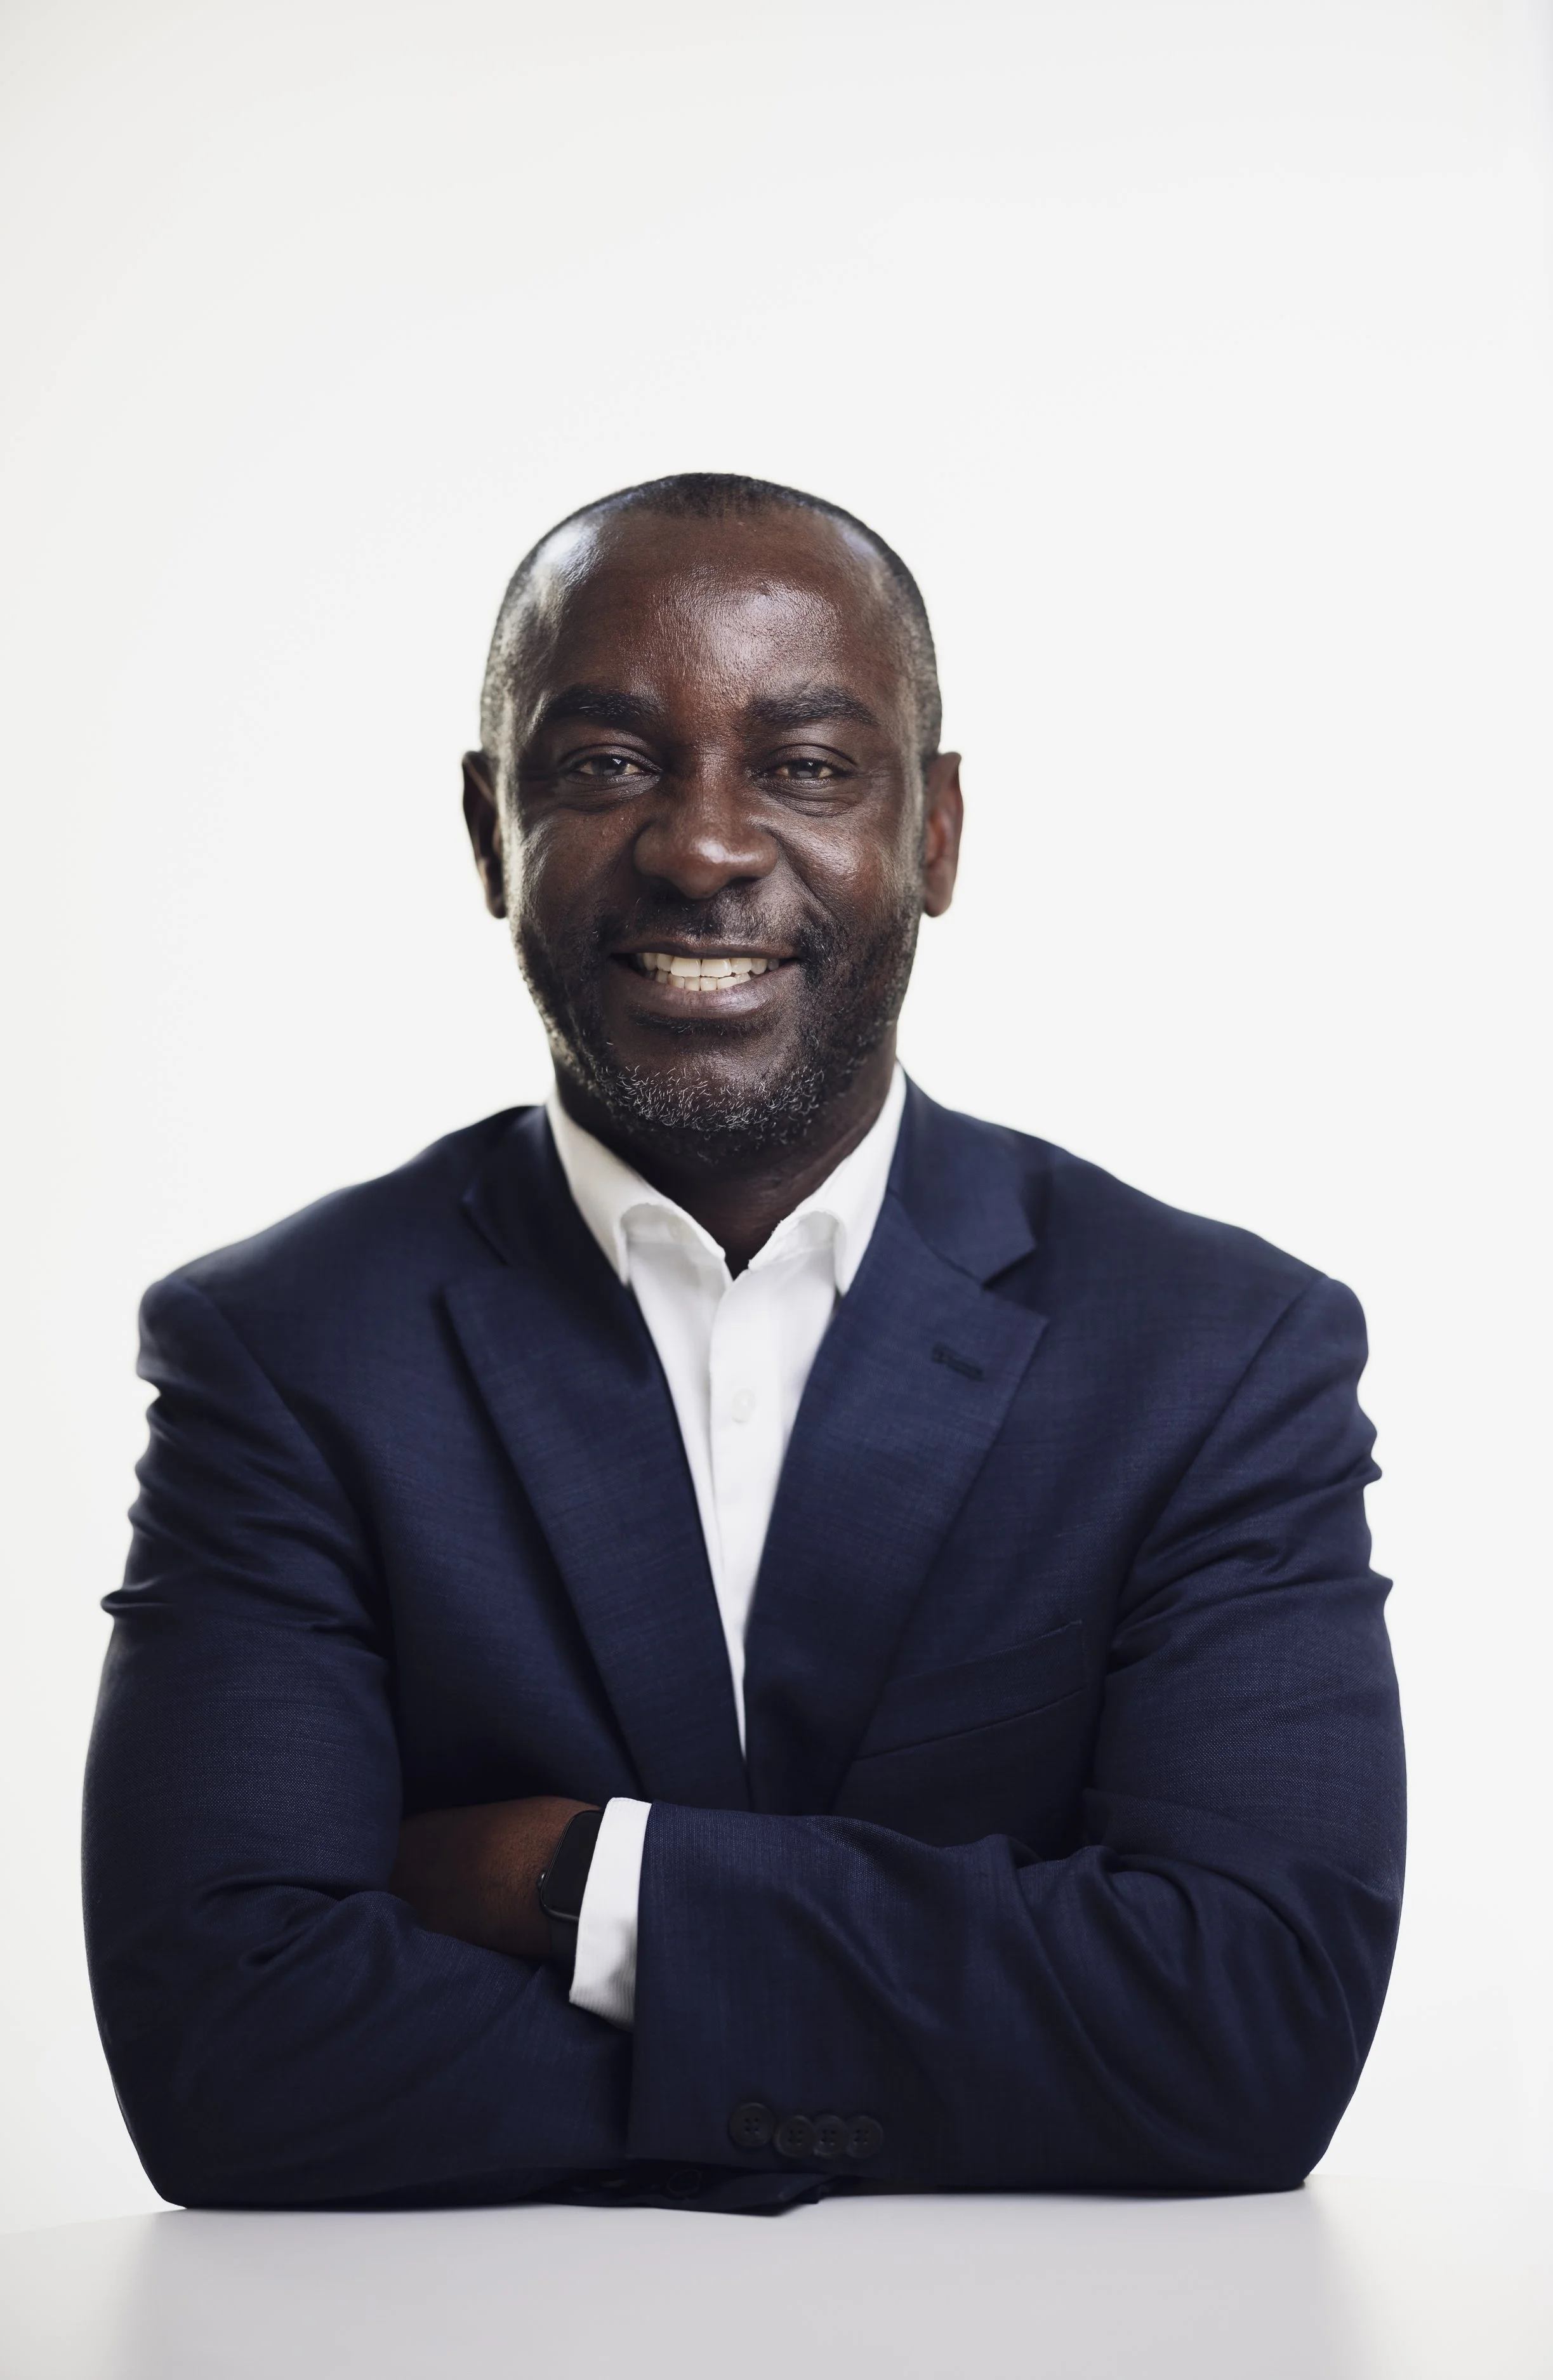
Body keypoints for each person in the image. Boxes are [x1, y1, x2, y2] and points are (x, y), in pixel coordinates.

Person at [84, 474, 1405, 2215]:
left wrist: (582, 1885)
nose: (702, 844)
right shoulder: (284, 1353)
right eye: (608, 761)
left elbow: (1251, 2028)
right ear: (490, 830)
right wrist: (1009, 2025)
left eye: (803, 764)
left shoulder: (1214, 1357)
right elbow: (226, 2065)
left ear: (934, 832)